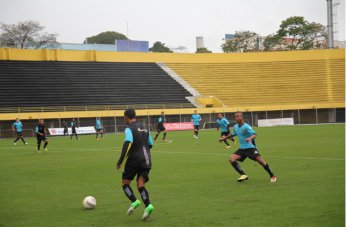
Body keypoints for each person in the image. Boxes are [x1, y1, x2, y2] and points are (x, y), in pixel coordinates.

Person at [116, 108, 154, 221]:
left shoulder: (129, 128)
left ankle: (134, 201)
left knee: (125, 183)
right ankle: (148, 206)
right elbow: (150, 144)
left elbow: (127, 143)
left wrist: (120, 161)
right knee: (140, 184)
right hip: (146, 159)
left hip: (134, 160)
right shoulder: (145, 127)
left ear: (126, 117)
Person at [219, 112, 277, 183]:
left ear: (241, 117)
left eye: (237, 116)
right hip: (242, 148)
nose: (236, 118)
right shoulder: (235, 126)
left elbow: (254, 134)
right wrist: (223, 138)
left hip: (250, 147)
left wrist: (250, 138)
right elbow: (233, 134)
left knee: (261, 161)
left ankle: (272, 175)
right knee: (232, 159)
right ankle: (243, 175)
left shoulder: (246, 126)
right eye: (235, 116)